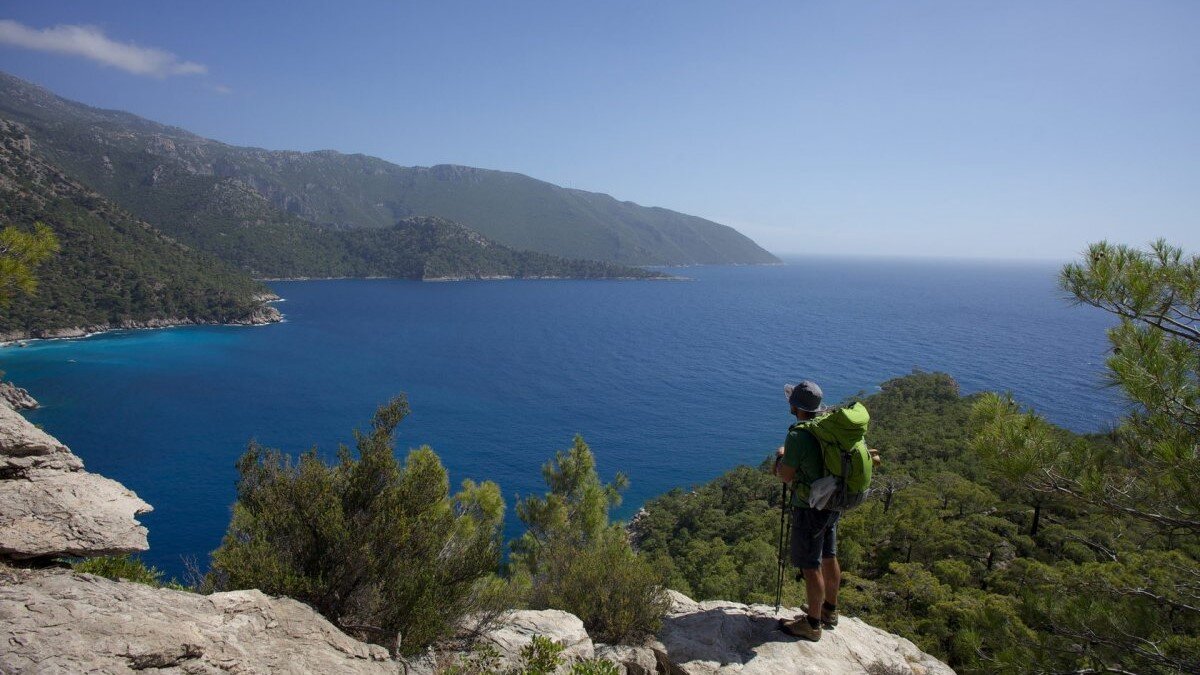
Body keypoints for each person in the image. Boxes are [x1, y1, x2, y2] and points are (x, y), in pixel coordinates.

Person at [773, 379, 841, 642]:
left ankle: (812, 625)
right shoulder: (828, 428)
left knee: (810, 566)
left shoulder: (798, 435)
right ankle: (829, 611)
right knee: (829, 555)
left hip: (809, 506)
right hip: (833, 501)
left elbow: (786, 476)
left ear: (795, 406)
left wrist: (781, 457)